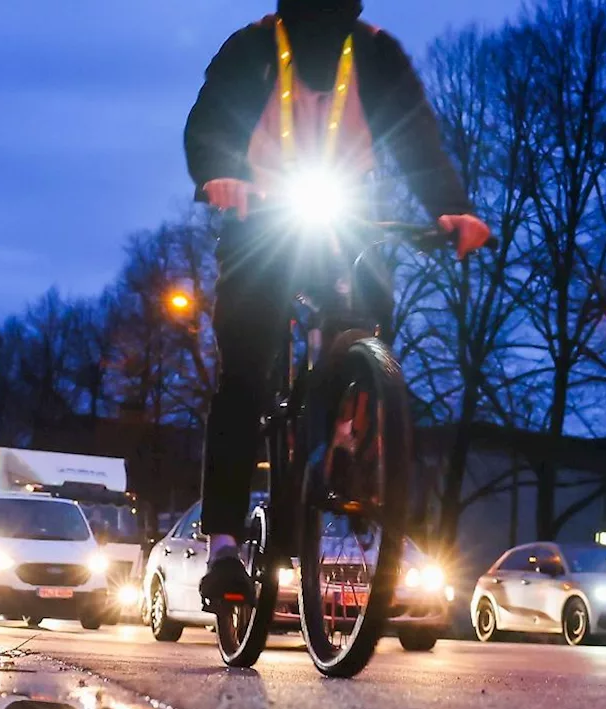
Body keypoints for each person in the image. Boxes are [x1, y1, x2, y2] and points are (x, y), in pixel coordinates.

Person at [184, 0, 490, 606]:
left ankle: (349, 428)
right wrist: (221, 174)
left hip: (348, 221)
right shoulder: (253, 50)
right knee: (245, 369)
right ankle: (222, 545)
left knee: (372, 314)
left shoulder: (374, 54)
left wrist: (450, 206)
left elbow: (417, 139)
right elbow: (209, 123)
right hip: (259, 222)